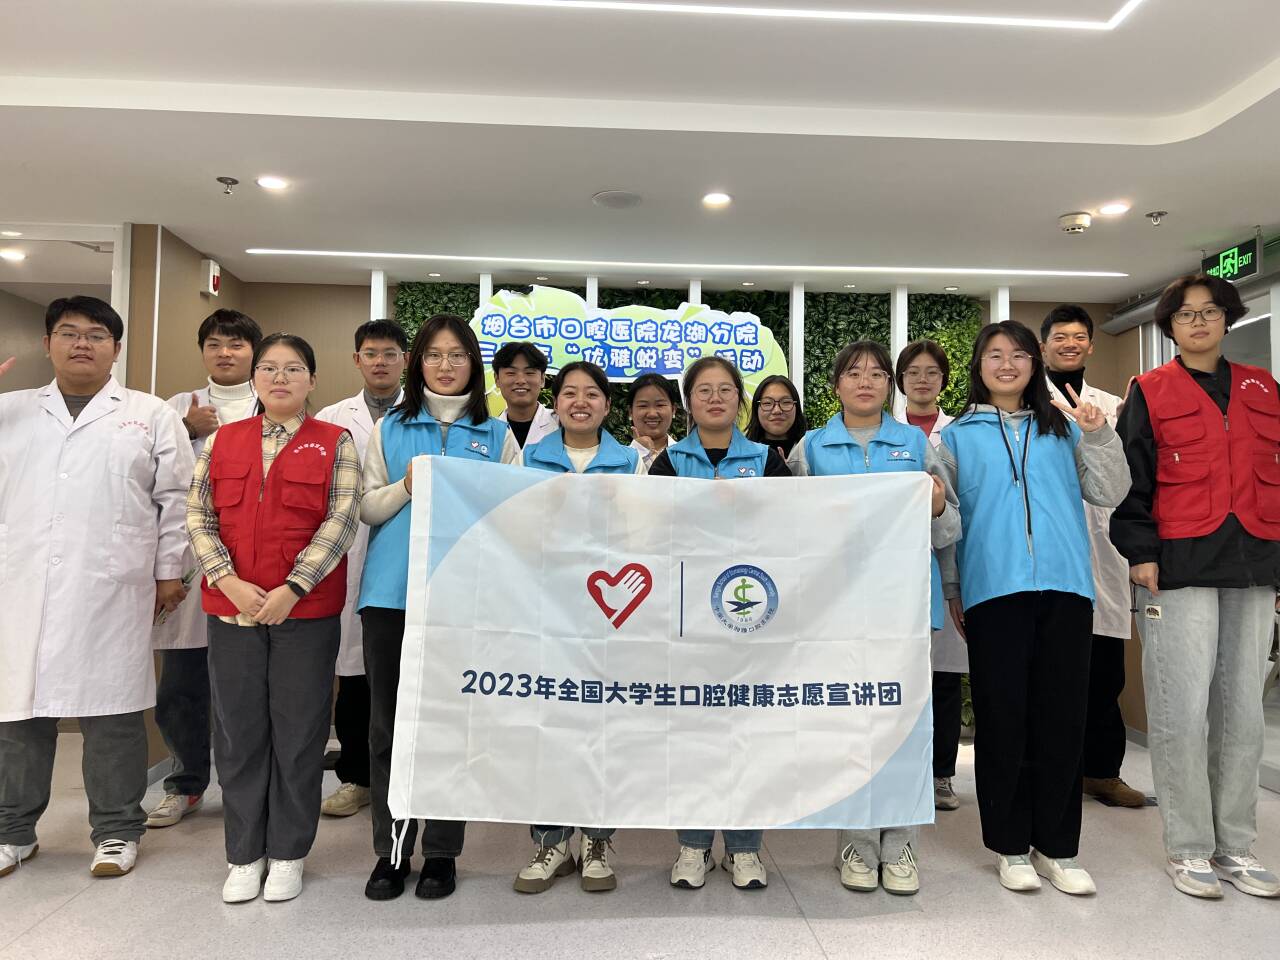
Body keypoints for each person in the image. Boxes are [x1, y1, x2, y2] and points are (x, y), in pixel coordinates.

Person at [0, 296, 193, 879]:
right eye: (68, 333)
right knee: (18, 715)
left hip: (111, 586)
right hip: (22, 584)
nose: (82, 343)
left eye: (96, 335)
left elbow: (176, 499)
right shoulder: (10, 409)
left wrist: (169, 572)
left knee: (113, 715)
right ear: (47, 344)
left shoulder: (148, 413)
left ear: (116, 348)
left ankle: (116, 831)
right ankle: (12, 832)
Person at [935, 321, 1129, 896]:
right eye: (995, 355)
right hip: (993, 591)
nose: (1007, 364)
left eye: (1019, 355)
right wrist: (954, 590)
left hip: (1067, 588)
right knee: (1003, 718)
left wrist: (1099, 436)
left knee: (1063, 718)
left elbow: (1110, 492)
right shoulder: (955, 438)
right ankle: (1010, 845)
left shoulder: (1064, 429)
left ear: (1034, 363)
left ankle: (1059, 847)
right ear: (979, 365)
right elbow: (946, 524)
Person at [1111, 274, 1280, 900]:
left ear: (1227, 320)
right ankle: (1187, 848)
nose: (1200, 322)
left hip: (1254, 562)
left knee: (1242, 711)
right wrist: (1141, 554)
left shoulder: (1265, 388)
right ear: (1171, 327)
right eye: (1186, 314)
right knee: (1181, 709)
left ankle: (1235, 843)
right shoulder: (1150, 390)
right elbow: (1130, 480)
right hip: (1178, 566)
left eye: (1210, 312)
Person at [187, 333, 360, 903]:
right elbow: (199, 516)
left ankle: (288, 852)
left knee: (299, 733)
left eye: (293, 369)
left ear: (312, 380)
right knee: (238, 734)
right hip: (231, 610)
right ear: (255, 379)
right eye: (268, 368)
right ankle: (244, 854)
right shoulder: (223, 440)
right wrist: (229, 582)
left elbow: (341, 519)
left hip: (304, 613)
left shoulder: (334, 442)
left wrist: (292, 589)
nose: (279, 378)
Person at [358, 314, 522, 902]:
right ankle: (391, 851)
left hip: (465, 599)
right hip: (392, 596)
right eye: (434, 355)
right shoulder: (391, 428)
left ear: (474, 365)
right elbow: (365, 508)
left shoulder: (497, 434)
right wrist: (407, 485)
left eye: (457, 355)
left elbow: (516, 515)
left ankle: (442, 853)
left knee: (454, 725)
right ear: (417, 363)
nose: (446, 365)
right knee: (388, 727)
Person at [796, 341, 959, 896]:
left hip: (905, 603)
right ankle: (857, 842)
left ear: (890, 385)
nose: (865, 382)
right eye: (853, 373)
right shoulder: (812, 448)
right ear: (836, 385)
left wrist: (936, 506)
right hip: (837, 609)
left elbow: (952, 525)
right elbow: (790, 529)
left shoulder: (914, 444)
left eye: (876, 374)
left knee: (904, 725)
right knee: (850, 726)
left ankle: (901, 842)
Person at [648, 355, 790, 891]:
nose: (714, 398)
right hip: (687, 620)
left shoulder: (768, 461)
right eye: (703, 390)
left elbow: (791, 532)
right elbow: (651, 535)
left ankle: (745, 847)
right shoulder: (667, 463)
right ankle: (693, 845)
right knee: (692, 733)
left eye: (725, 389)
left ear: (739, 399)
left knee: (748, 733)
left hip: (749, 617)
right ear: (689, 402)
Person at [514, 361, 645, 895]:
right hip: (547, 610)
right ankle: (550, 842)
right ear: (557, 404)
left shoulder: (630, 461)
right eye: (570, 393)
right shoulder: (529, 457)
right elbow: (514, 528)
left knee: (602, 726)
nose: (580, 402)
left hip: (608, 615)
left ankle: (596, 840)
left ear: (608, 406)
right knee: (548, 725)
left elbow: (644, 532)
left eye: (592, 394)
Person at [148, 309, 263, 830]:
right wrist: (184, 429)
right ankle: (186, 783)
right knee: (182, 685)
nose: (225, 353)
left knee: (248, 686)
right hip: (190, 561)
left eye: (236, 344)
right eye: (215, 344)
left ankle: (249, 786)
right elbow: (151, 474)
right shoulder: (176, 407)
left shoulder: (271, 401)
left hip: (254, 562)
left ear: (253, 352)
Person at [1039, 305, 1144, 809]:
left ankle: (1102, 772)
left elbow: (1127, 473)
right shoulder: (1029, 402)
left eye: (1079, 337)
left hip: (1104, 546)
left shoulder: (1112, 405)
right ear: (1043, 346)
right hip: (1052, 545)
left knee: (1105, 672)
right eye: (1060, 337)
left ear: (1090, 345)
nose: (1070, 344)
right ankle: (1052, 773)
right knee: (1051, 671)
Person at [314, 319, 408, 818]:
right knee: (353, 676)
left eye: (390, 353)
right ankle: (356, 777)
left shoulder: (421, 415)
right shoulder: (332, 418)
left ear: (404, 360)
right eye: (371, 353)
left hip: (400, 557)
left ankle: (404, 779)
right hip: (348, 553)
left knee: (400, 676)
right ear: (357, 360)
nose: (380, 362)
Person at [894, 339, 966, 813]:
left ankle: (941, 774)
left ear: (943, 380)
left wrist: (955, 583)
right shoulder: (887, 433)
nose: (922, 380)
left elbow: (958, 506)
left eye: (932, 372)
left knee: (944, 676)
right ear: (900, 380)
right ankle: (902, 771)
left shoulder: (956, 434)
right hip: (895, 573)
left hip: (946, 562)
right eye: (913, 372)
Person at [494, 341, 557, 448]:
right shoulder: (486, 431)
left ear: (542, 379)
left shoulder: (562, 424)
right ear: (497, 379)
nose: (521, 381)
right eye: (511, 373)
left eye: (529, 373)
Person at [745, 373, 807, 475]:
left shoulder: (810, 451)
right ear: (756, 409)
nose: (777, 410)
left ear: (797, 407)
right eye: (767, 403)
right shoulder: (742, 453)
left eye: (786, 402)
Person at [628, 372, 677, 469]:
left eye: (660, 405)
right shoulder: (618, 459)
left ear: (673, 410)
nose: (652, 414)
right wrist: (641, 450)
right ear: (630, 412)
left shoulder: (687, 458)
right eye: (643, 406)